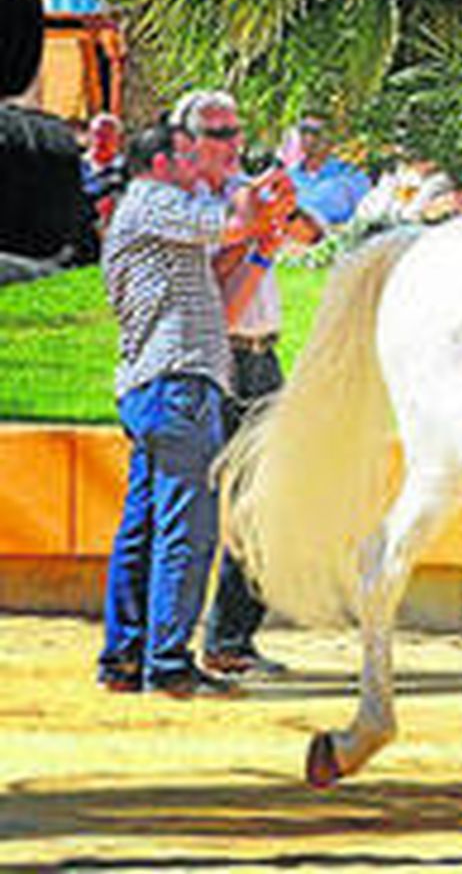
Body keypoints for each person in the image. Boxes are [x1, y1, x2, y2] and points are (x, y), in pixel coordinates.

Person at [96, 114, 286, 697]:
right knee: (187, 529)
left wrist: (261, 244)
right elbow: (232, 221)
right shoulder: (155, 200)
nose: (196, 165)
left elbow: (227, 257)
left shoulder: (153, 213)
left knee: (144, 527)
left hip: (159, 384)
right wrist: (261, 191)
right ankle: (169, 664)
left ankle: (125, 659)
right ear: (160, 164)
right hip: (177, 382)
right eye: (186, 156)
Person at [193, 95, 321, 677]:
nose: (232, 143)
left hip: (263, 357)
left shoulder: (246, 192)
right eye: (218, 133)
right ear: (190, 140)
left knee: (269, 497)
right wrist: (256, 232)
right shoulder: (194, 205)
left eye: (234, 131)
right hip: (222, 359)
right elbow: (217, 284)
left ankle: (232, 636)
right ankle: (205, 638)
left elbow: (311, 235)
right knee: (207, 501)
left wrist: (282, 207)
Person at [286, 115, 370, 228]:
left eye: (316, 133)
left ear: (331, 140)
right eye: (304, 132)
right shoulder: (289, 176)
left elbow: (367, 212)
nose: (308, 138)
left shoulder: (350, 176)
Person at [81, 113, 128, 232]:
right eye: (97, 134)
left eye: (107, 135)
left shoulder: (128, 169)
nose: (101, 140)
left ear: (119, 139)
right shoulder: (76, 166)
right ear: (88, 136)